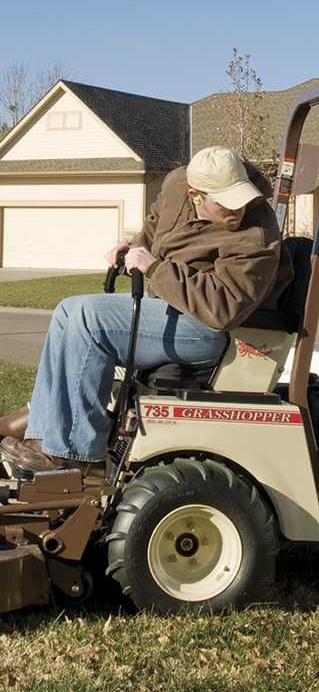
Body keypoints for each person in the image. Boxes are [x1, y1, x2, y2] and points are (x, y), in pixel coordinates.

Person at [0, 146, 291, 478]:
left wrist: (155, 268)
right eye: (225, 202)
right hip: (172, 305)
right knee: (68, 309)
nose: (237, 208)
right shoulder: (176, 185)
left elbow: (223, 309)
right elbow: (154, 230)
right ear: (195, 195)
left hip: (211, 329)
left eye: (240, 197)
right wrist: (133, 248)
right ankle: (42, 436)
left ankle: (75, 455)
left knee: (89, 318)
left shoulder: (257, 233)